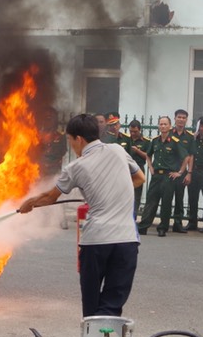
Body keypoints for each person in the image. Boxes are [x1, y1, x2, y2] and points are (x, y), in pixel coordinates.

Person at [19, 113, 145, 317]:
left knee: (92, 302)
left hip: (96, 242)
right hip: (127, 241)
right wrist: (112, 192)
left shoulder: (76, 167)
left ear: (79, 139)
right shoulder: (118, 150)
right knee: (113, 303)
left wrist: (29, 203)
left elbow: (50, 197)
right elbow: (140, 178)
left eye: (70, 140)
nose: (71, 146)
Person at [137, 115, 187, 237]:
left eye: (165, 124)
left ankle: (162, 228)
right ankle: (143, 226)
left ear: (170, 126)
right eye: (161, 124)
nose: (163, 126)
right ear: (158, 126)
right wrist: (150, 167)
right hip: (156, 177)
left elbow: (185, 157)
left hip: (168, 177)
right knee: (151, 201)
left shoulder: (175, 142)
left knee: (166, 203)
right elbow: (148, 155)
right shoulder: (155, 141)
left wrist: (179, 172)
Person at [169, 109, 195, 233]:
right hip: (168, 170)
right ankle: (164, 222)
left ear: (186, 120)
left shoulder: (189, 137)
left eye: (184, 118)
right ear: (174, 118)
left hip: (182, 171)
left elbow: (191, 155)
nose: (181, 119)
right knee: (167, 197)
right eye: (179, 117)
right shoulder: (168, 133)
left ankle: (178, 223)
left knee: (180, 198)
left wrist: (189, 173)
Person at [119, 119, 149, 216]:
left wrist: (138, 151)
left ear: (139, 130)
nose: (133, 133)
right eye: (131, 131)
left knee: (136, 194)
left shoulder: (146, 141)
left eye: (135, 131)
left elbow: (148, 157)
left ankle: (134, 215)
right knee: (123, 192)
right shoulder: (126, 139)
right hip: (125, 168)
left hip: (138, 169)